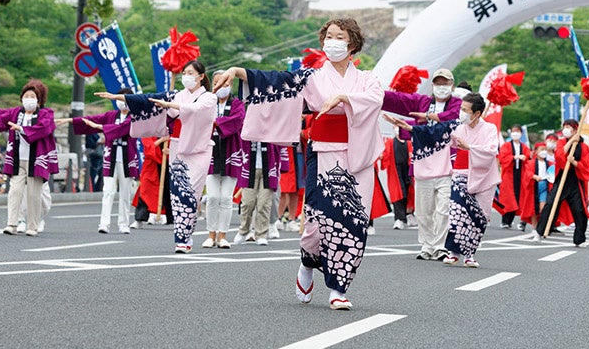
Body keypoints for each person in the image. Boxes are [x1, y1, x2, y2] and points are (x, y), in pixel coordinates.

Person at [213, 17, 383, 311]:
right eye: (328, 36)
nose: (332, 41)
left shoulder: (368, 78)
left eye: (339, 36)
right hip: (323, 152)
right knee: (316, 226)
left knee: (351, 223)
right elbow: (276, 81)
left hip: (357, 157)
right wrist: (237, 71)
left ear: (352, 43)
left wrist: (344, 97)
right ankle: (307, 263)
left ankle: (338, 288)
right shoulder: (313, 78)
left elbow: (374, 99)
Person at [102, 60, 216, 254]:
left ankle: (186, 235)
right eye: (184, 72)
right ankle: (182, 240)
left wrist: (171, 104)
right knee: (178, 193)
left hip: (199, 149)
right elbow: (148, 99)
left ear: (201, 76)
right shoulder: (178, 94)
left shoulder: (209, 98)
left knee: (190, 193)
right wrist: (120, 97)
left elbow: (195, 111)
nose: (186, 76)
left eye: (190, 72)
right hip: (178, 146)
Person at [381, 67, 462, 261]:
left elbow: (452, 120)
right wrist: (375, 94)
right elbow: (400, 100)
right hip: (424, 166)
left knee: (443, 210)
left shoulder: (458, 104)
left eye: (446, 83)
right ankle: (427, 245)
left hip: (446, 168)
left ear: (452, 85)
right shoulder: (423, 102)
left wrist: (424, 119)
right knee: (424, 211)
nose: (442, 87)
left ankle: (440, 246)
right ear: (432, 85)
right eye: (438, 83)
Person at [60, 89, 138, 234]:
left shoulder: (135, 117)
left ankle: (123, 223)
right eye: (120, 99)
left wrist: (101, 128)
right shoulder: (110, 115)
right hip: (111, 155)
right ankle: (104, 223)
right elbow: (92, 120)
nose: (123, 103)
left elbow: (123, 129)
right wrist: (70, 120)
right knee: (107, 190)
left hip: (127, 157)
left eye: (126, 99)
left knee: (125, 192)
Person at [437, 93, 499, 267]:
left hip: (485, 176)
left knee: (479, 215)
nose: (461, 113)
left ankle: (470, 254)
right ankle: (453, 251)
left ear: (477, 113)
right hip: (461, 172)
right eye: (461, 109)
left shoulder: (490, 129)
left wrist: (470, 147)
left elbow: (491, 151)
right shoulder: (458, 127)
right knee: (457, 212)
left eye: (465, 110)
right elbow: (443, 142)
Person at [0, 80, 56, 237]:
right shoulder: (16, 113)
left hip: (36, 161)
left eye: (33, 96)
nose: (29, 98)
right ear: (21, 98)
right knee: (14, 191)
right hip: (17, 160)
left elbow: (44, 128)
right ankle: (12, 223)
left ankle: (33, 226)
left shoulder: (46, 114)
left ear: (38, 100)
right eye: (26, 95)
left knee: (33, 195)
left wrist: (22, 129)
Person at [533, 119, 589, 246]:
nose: (566, 129)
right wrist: (571, 142)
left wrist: (575, 163)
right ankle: (539, 232)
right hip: (562, 179)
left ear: (575, 129)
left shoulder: (583, 147)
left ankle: (579, 239)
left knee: (579, 210)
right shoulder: (562, 142)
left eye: (569, 127)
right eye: (565, 126)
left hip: (575, 181)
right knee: (551, 204)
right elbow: (559, 157)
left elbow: (587, 166)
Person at [203, 82, 245, 248]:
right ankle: (210, 234)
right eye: (217, 83)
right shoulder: (206, 103)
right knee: (213, 197)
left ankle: (222, 235)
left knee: (226, 198)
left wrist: (216, 123)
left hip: (230, 153)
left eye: (225, 83)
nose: (221, 86)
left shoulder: (237, 104)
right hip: (210, 153)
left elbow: (237, 119)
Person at [132, 135, 172, 227]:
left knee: (168, 191)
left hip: (166, 163)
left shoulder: (169, 129)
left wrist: (170, 151)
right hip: (151, 165)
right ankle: (140, 219)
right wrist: (162, 140)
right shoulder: (149, 130)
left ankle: (167, 216)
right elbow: (148, 147)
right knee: (145, 191)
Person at [497, 124, 530, 230]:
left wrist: (525, 158)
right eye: (513, 131)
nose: (515, 133)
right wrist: (514, 157)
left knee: (517, 197)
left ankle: (510, 221)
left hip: (520, 174)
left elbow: (528, 158)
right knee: (508, 198)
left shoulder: (524, 147)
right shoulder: (506, 145)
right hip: (509, 174)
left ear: (521, 133)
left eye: (518, 131)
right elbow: (502, 158)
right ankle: (505, 220)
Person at [519, 141, 553, 231]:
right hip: (534, 186)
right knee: (533, 207)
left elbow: (553, 172)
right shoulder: (531, 163)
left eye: (545, 149)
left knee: (543, 207)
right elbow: (528, 173)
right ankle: (535, 226)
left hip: (544, 187)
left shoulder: (549, 164)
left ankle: (541, 226)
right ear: (536, 152)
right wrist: (534, 176)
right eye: (542, 149)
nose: (544, 151)